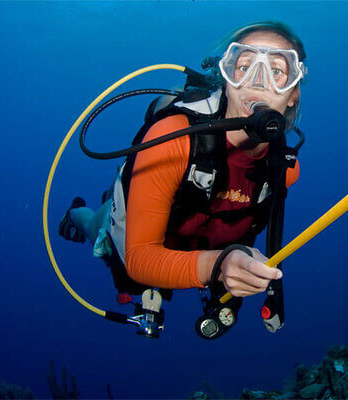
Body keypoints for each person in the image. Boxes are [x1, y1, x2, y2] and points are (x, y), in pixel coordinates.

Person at [58, 21, 306, 302]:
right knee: (97, 228)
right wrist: (220, 266)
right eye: (245, 66)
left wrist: (231, 267)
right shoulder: (171, 140)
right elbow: (138, 258)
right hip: (142, 243)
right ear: (226, 80)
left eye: (277, 71)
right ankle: (76, 214)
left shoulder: (285, 169)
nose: (258, 83)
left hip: (201, 249)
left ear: (293, 94)